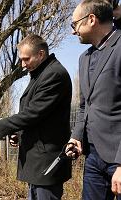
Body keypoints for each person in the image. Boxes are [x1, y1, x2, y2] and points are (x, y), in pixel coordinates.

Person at [0, 34, 72, 200]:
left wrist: (0, 125)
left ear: (41, 54)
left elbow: (32, 114)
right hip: (37, 160)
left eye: (26, 59)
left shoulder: (54, 75)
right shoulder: (41, 73)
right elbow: (38, 116)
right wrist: (18, 133)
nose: (23, 65)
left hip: (47, 160)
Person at [70, 0, 121, 199]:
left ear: (91, 19)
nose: (73, 32)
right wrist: (76, 136)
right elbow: (85, 106)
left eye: (74, 25)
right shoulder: (84, 58)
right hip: (93, 157)